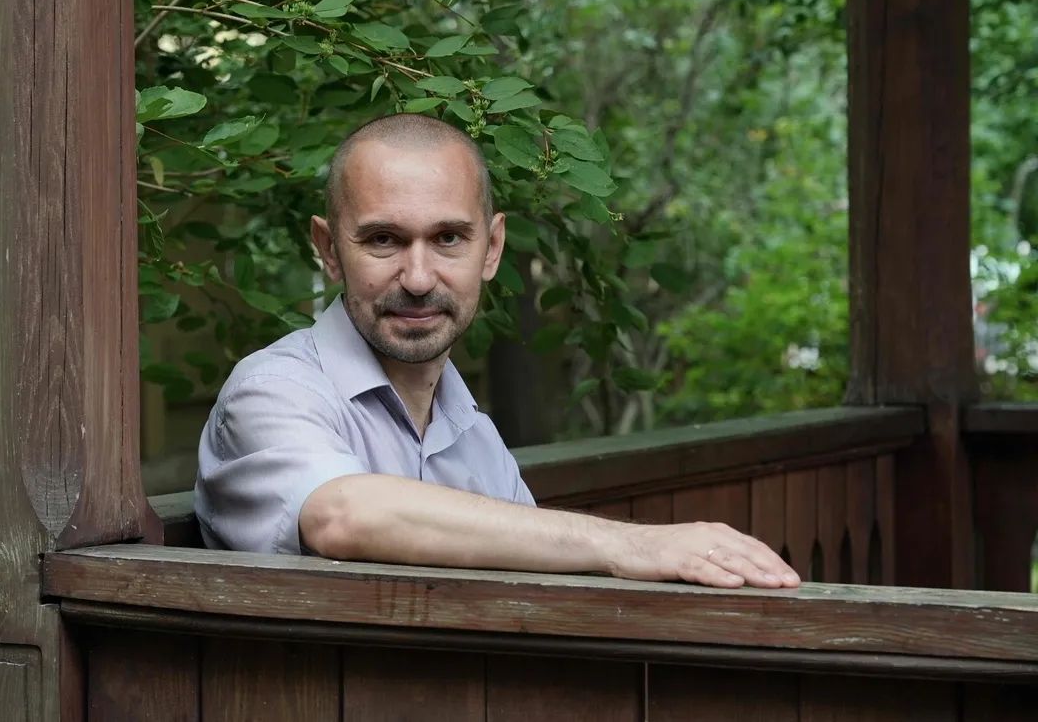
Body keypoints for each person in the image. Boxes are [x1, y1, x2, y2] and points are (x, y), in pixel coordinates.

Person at [194, 113, 800, 589]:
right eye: (383, 239)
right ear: (329, 250)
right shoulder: (272, 391)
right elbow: (343, 515)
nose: (419, 277)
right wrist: (631, 544)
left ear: (491, 249)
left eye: (448, 238)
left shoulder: (474, 436)